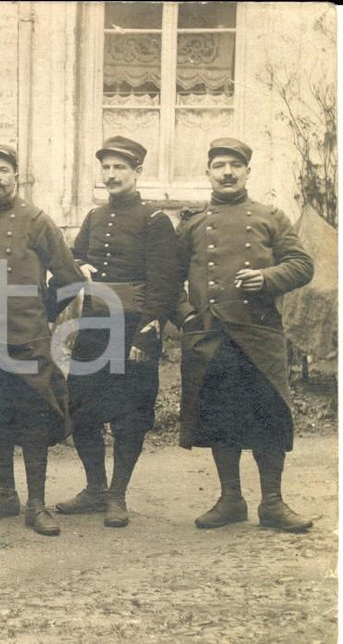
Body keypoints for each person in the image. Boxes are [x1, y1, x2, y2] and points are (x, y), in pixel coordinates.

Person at [174, 138, 314, 533]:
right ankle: (230, 499)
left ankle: (272, 502)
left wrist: (267, 278)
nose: (228, 172)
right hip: (212, 335)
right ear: (208, 173)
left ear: (248, 172)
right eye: (220, 165)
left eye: (236, 165)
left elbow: (302, 265)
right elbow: (170, 280)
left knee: (267, 417)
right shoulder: (193, 224)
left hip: (259, 335)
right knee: (221, 416)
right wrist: (186, 316)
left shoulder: (271, 217)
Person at [0, 144, 85, 536]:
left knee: (33, 416)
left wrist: (42, 311)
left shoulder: (37, 221)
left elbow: (70, 278)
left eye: (4, 170)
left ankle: (37, 504)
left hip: (27, 336)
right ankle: (4, 494)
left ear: (16, 175)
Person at [55, 137, 178, 528]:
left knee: (130, 415)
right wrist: (79, 265)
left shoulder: (155, 220)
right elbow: (74, 256)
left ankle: (117, 495)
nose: (111, 175)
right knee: (82, 408)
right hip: (94, 324)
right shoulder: (93, 217)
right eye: (106, 167)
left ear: (137, 172)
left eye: (119, 168)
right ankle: (95, 489)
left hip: (134, 329)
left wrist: (148, 332)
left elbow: (165, 281)